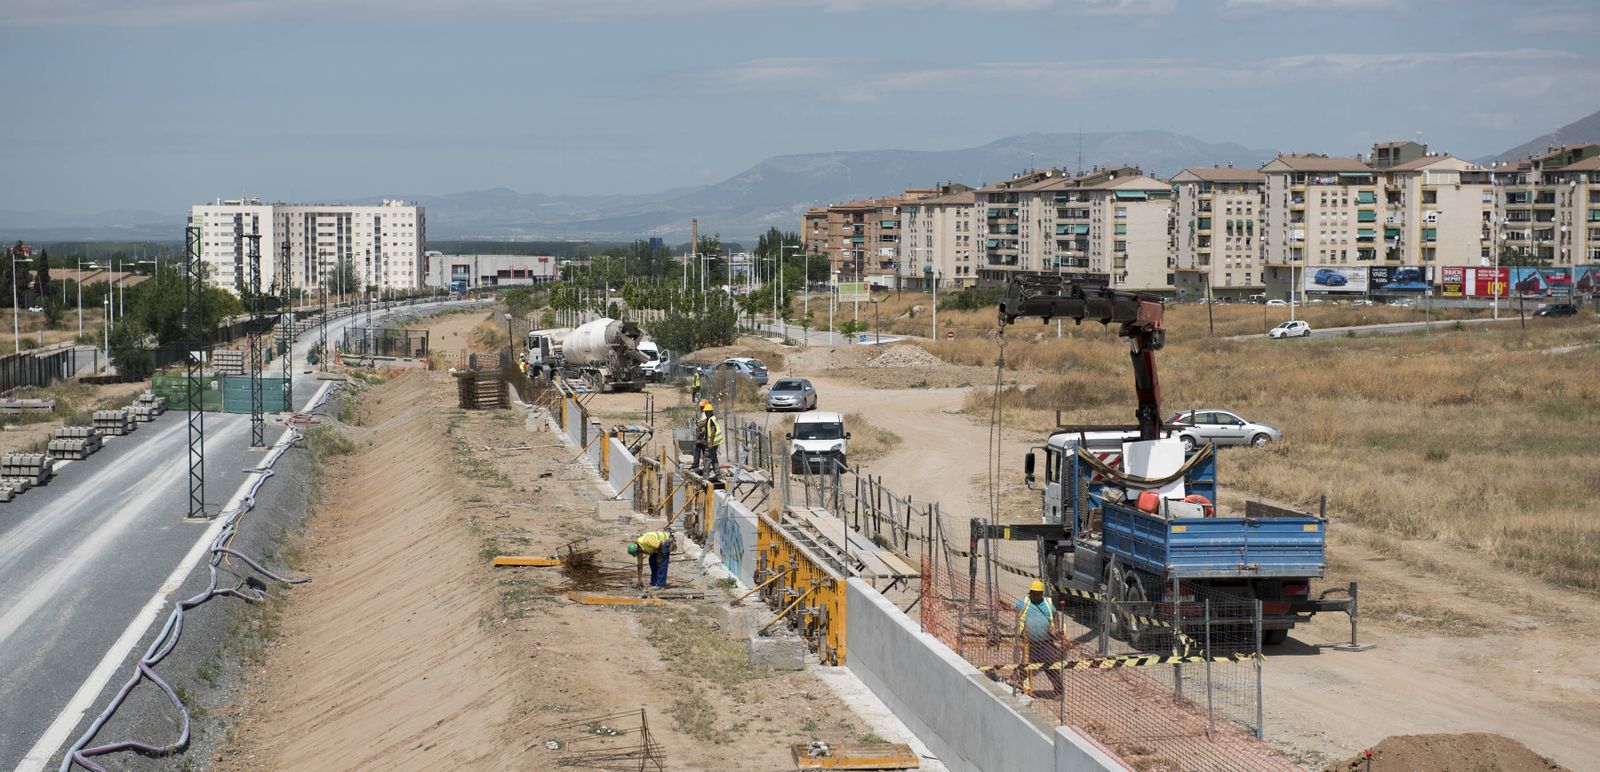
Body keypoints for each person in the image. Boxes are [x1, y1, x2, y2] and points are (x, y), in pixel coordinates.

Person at [1013, 580, 1063, 697]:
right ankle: (1023, 689)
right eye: (1033, 593)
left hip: (1046, 643)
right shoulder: (1024, 602)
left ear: (1041, 593)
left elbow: (1055, 614)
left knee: (1051, 667)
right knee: (1025, 668)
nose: (1035, 596)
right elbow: (1013, 608)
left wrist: (1056, 628)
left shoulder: (1047, 603)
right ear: (1030, 592)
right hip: (1028, 644)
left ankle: (1059, 692)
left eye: (1038, 593)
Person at [691, 401, 722, 479]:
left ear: (710, 411)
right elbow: (704, 423)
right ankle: (718, 475)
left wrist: (710, 443)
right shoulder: (710, 418)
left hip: (712, 443)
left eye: (706, 411)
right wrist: (699, 425)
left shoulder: (711, 419)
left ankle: (705, 476)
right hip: (715, 443)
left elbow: (713, 431)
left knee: (708, 458)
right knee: (714, 458)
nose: (705, 413)